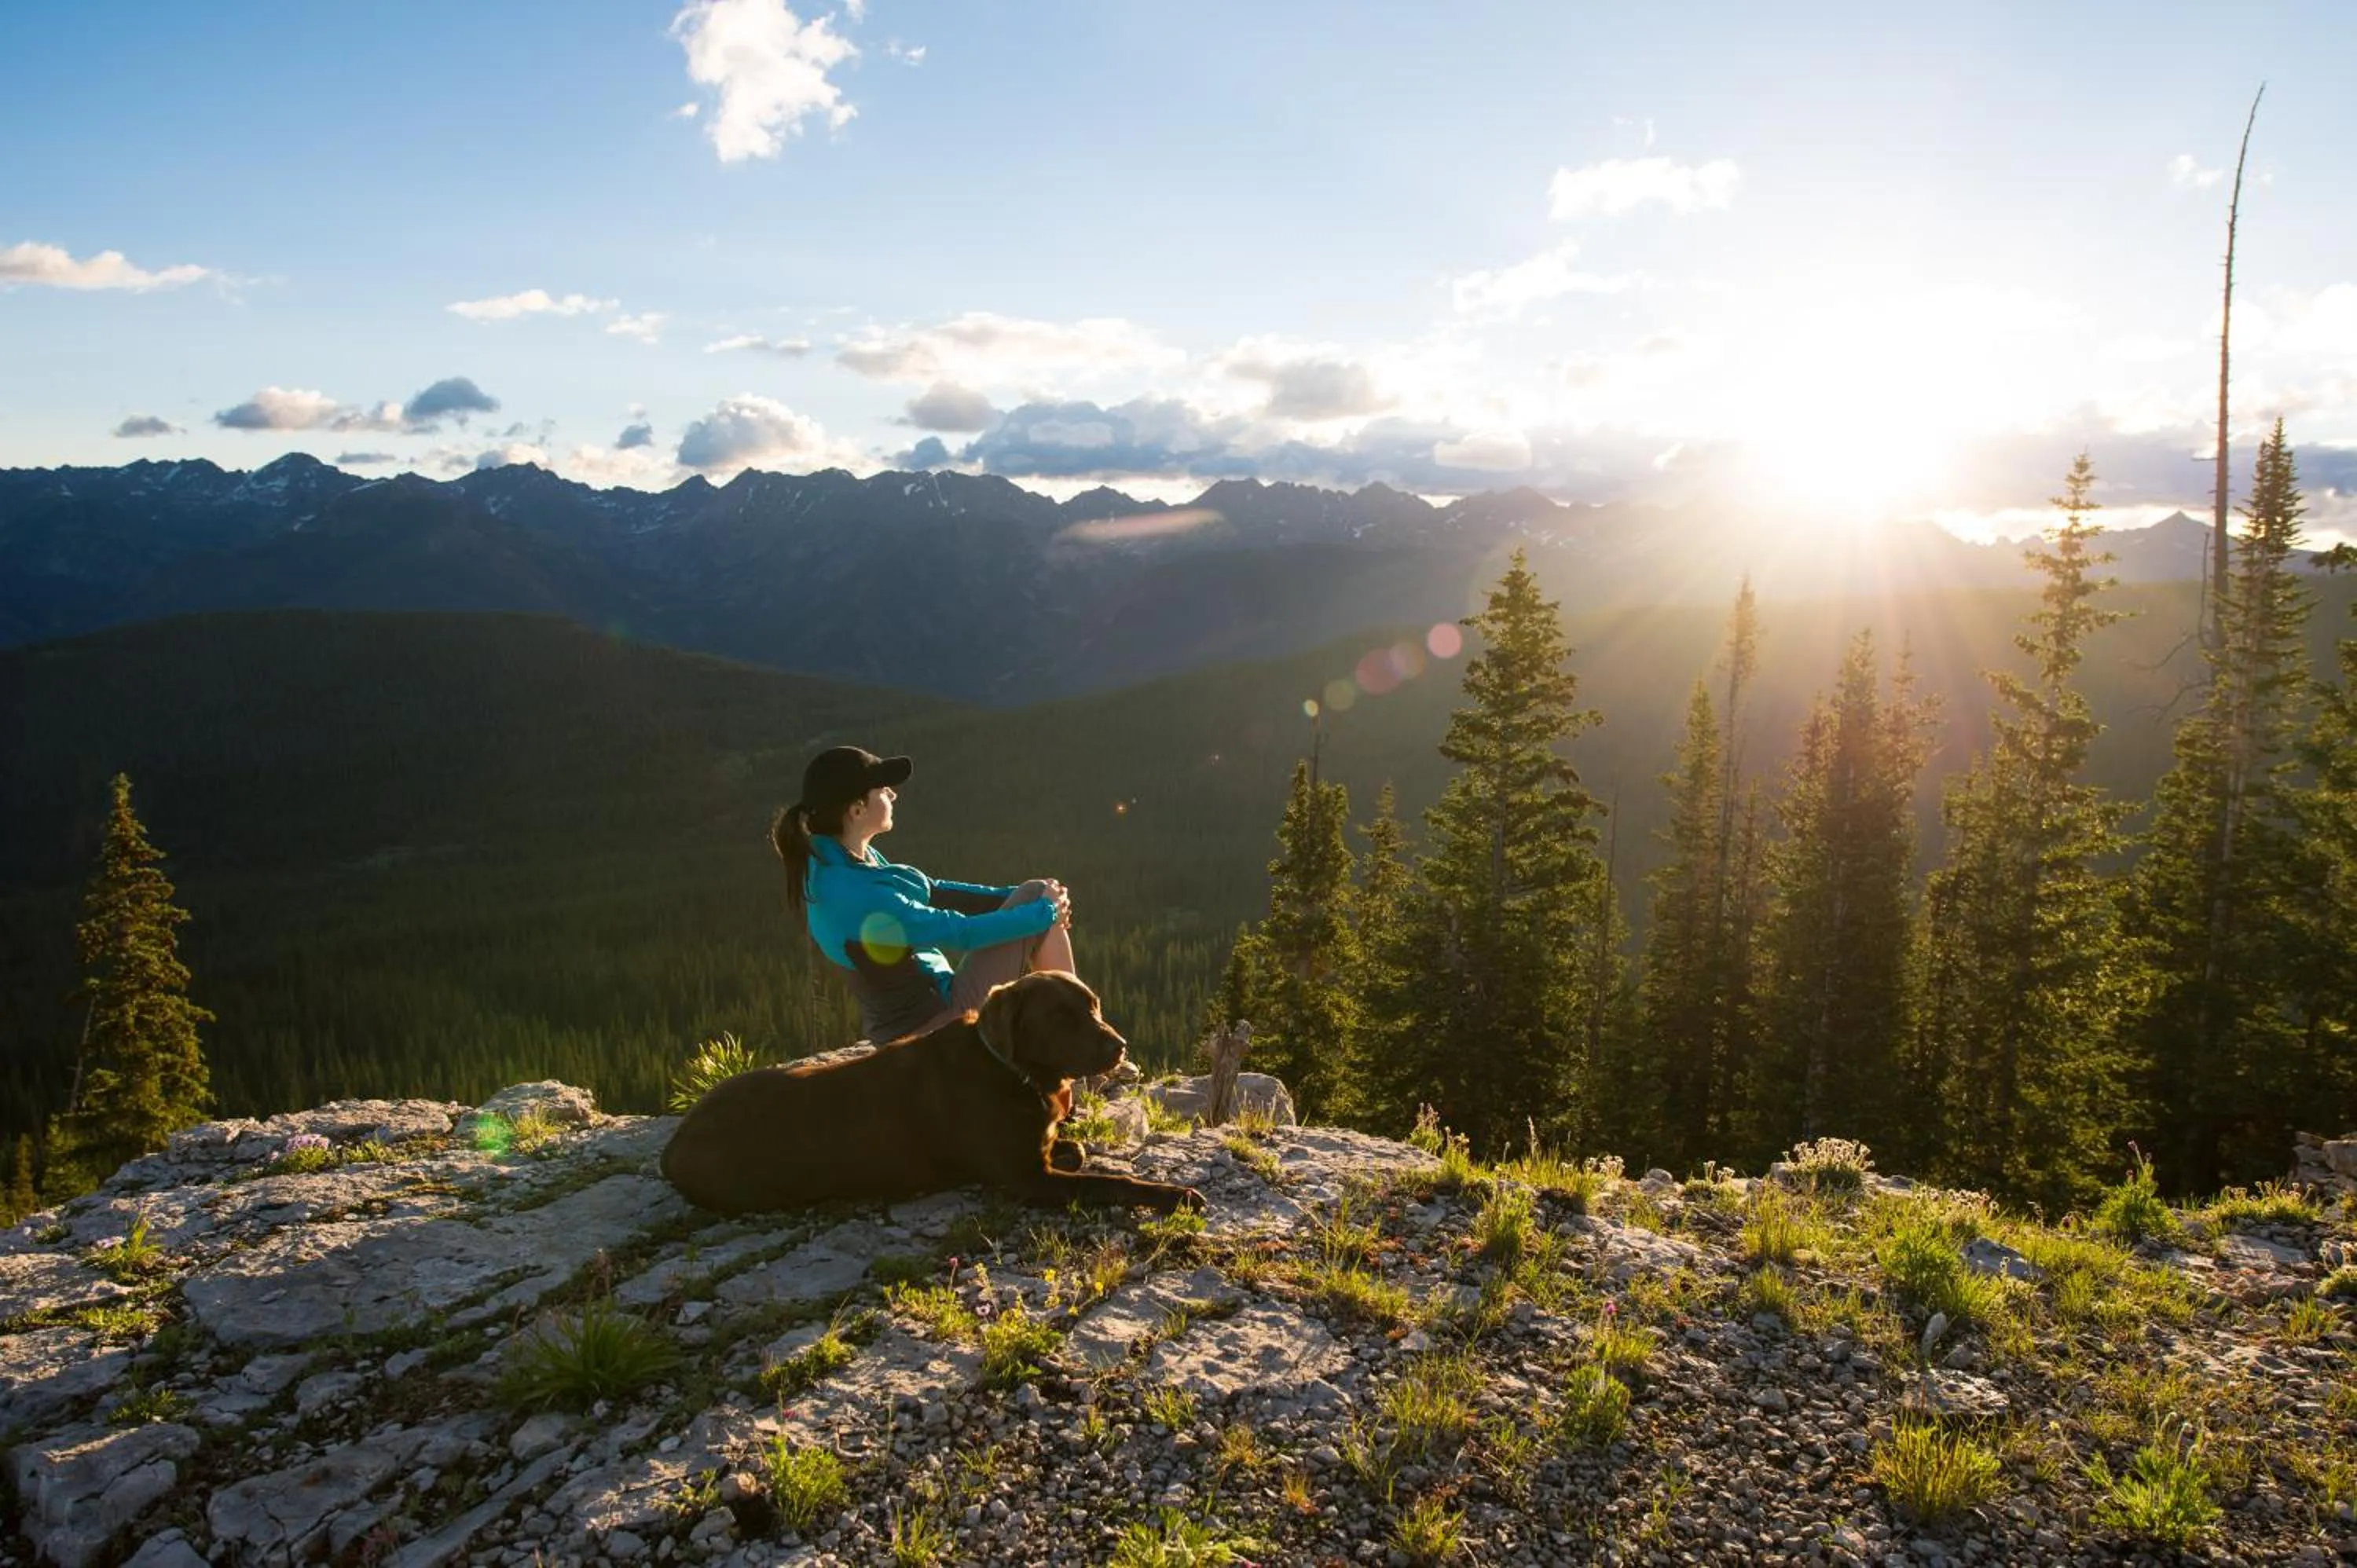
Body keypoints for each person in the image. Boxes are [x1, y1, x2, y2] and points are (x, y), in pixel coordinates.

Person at [772, 745, 1077, 1044]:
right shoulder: (856, 895)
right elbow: (961, 933)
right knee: (1039, 902)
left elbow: (933, 890)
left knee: (1037, 895)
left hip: (922, 1010)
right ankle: (1079, 1039)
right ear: (857, 810)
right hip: (934, 1026)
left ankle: (1076, 1031)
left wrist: (1014, 897)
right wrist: (1045, 911)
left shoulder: (837, 862)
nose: (893, 794)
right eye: (882, 789)